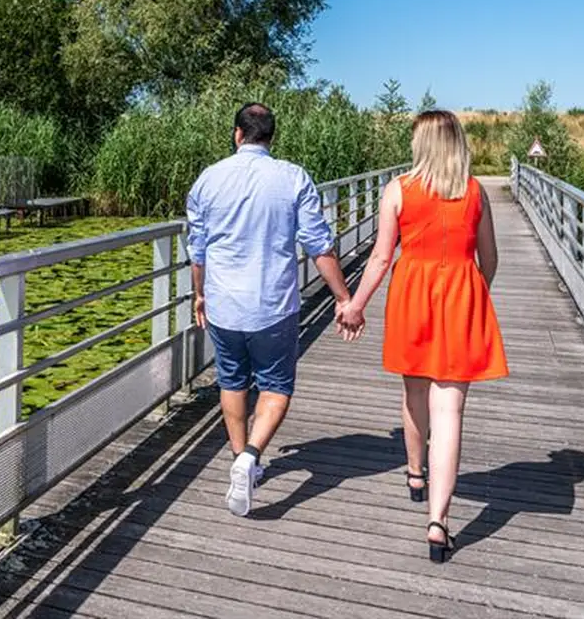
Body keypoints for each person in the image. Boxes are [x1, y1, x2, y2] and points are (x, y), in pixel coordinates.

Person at [186, 103, 364, 517]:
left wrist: (200, 294)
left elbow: (197, 250)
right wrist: (343, 297)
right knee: (275, 386)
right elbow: (318, 244)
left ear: (237, 134)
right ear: (271, 136)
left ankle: (239, 460)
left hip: (225, 304)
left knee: (232, 380)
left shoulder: (208, 179)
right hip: (273, 305)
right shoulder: (292, 177)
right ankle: (251, 457)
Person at [346, 110, 508, 562]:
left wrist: (356, 306)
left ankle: (415, 473)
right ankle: (438, 520)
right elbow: (489, 258)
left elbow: (380, 259)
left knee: (414, 390)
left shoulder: (398, 189)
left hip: (412, 296)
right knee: (450, 410)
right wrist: (476, 294)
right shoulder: (475, 191)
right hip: (461, 293)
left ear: (420, 145)